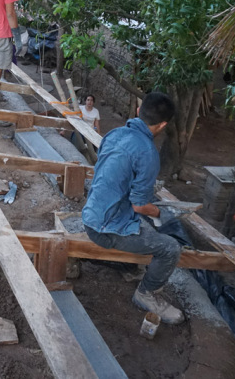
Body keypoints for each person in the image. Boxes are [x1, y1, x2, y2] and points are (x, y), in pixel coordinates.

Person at [81, 92, 185, 324]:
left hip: (91, 213)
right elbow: (139, 206)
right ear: (163, 124)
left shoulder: (115, 134)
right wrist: (162, 213)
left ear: (138, 111)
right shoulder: (148, 153)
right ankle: (146, 294)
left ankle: (130, 265)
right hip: (104, 230)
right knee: (170, 248)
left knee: (145, 224)